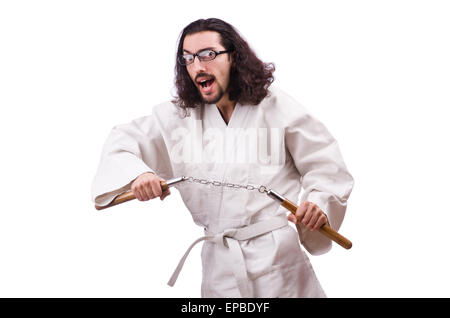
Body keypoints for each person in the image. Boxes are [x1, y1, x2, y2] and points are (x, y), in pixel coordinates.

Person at [91, 18, 354, 298]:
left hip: (279, 264)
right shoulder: (179, 117)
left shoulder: (276, 107)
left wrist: (317, 204)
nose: (198, 66)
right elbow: (122, 141)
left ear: (234, 57)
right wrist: (139, 175)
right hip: (220, 266)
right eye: (188, 58)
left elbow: (325, 165)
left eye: (208, 54)